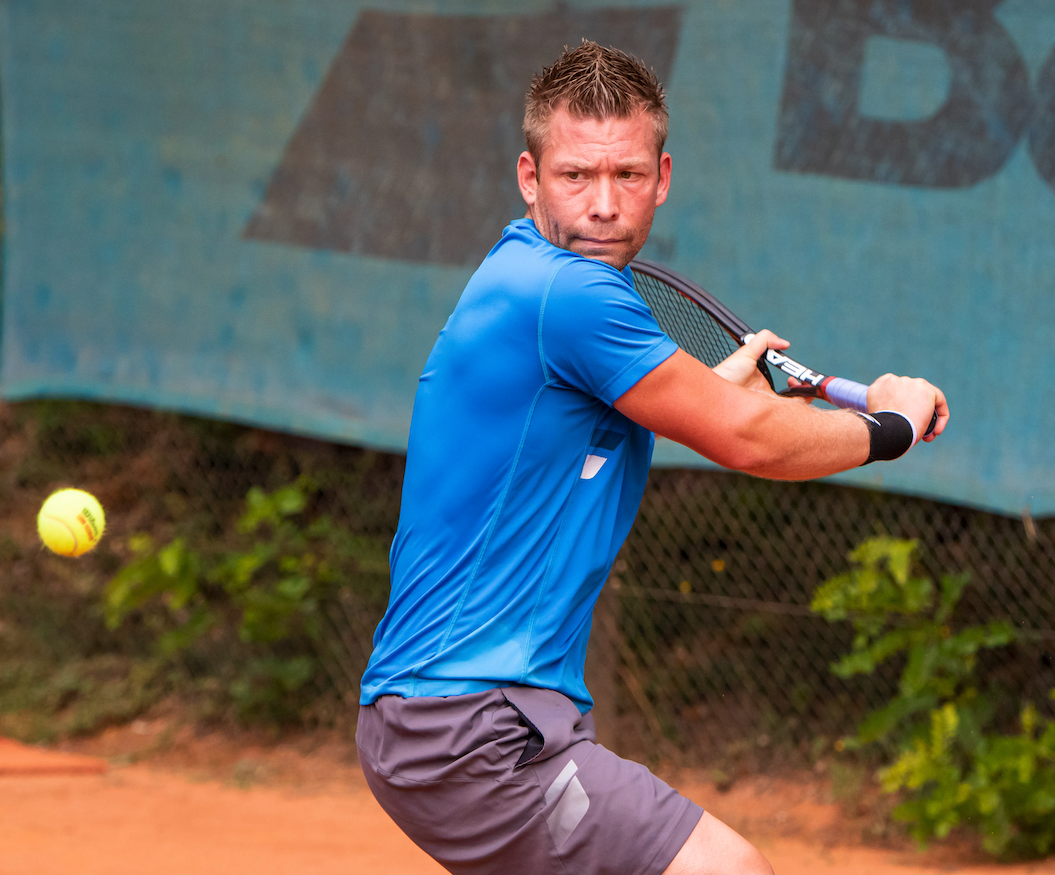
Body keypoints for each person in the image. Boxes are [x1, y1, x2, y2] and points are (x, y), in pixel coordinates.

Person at [356, 41, 948, 875]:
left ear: (661, 178)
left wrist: (720, 393)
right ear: (529, 179)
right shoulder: (571, 293)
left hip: (458, 718)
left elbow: (676, 417)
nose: (603, 204)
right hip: (471, 725)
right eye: (575, 177)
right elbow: (747, 438)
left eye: (626, 176)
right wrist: (887, 423)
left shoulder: (533, 278)